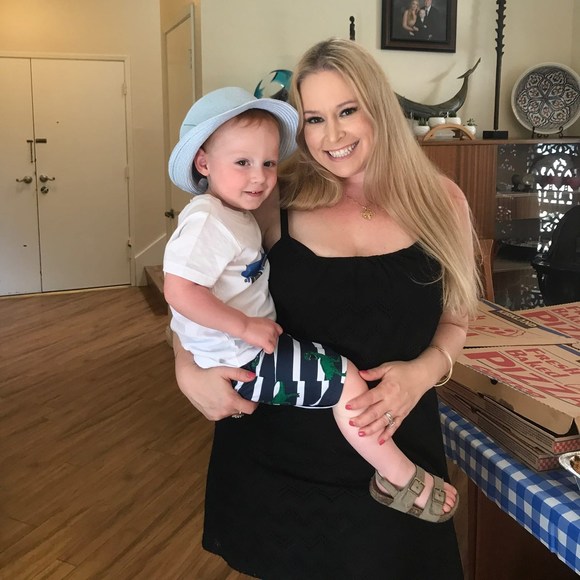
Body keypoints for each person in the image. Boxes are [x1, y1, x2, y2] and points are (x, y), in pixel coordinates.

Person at [173, 38, 480, 579]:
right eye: (314, 119)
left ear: (378, 107)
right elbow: (195, 292)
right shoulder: (271, 199)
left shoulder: (443, 201)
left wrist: (421, 374)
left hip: (398, 461)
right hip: (280, 467)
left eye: (347, 111)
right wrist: (186, 371)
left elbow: (458, 317)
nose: (332, 136)